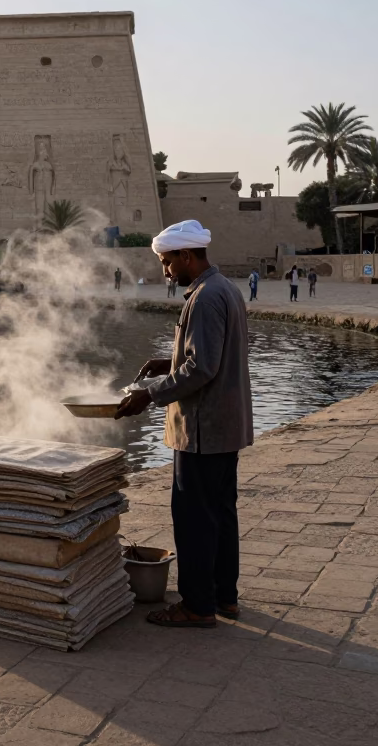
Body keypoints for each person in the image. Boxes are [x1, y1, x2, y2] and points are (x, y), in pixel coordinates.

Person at [116, 219, 253, 629]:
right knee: (220, 515)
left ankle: (197, 605)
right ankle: (224, 597)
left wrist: (149, 394)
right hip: (223, 427)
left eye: (167, 262)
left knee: (194, 520)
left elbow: (203, 368)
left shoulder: (206, 298)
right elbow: (208, 355)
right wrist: (168, 363)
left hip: (201, 431)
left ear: (186, 255)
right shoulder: (224, 289)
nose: (165, 270)